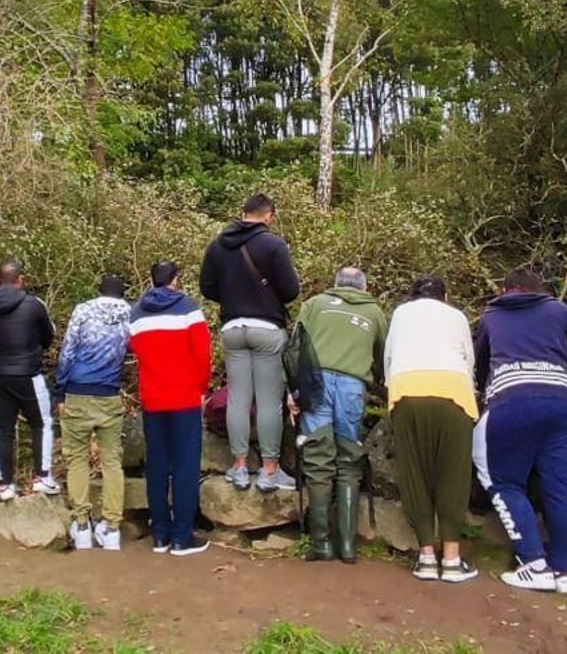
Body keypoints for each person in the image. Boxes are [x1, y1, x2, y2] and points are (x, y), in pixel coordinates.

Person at [472, 266, 567, 595]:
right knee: (566, 488)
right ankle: (564, 571)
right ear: (541, 290)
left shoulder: (491, 317)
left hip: (512, 401)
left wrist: (480, 388)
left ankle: (534, 564)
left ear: (505, 291)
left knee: (501, 478)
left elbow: (479, 365)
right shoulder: (557, 309)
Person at [199, 192, 301, 493]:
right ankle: (270, 469)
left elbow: (207, 287)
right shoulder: (273, 244)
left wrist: (232, 298)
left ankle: (240, 467)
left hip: (232, 327)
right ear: (268, 216)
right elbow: (290, 290)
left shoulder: (217, 245)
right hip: (267, 327)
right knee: (269, 399)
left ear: (243, 213)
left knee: (238, 398)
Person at [286, 266, 387, 564]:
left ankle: (321, 544)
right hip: (352, 387)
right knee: (348, 458)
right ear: (364, 287)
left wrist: (293, 390)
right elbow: (382, 357)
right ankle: (347, 546)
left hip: (316, 384)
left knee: (318, 458)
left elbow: (295, 349)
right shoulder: (375, 314)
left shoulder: (315, 304)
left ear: (335, 285)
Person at [383, 276, 479, 583]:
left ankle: (425, 556)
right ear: (445, 296)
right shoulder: (457, 316)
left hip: (406, 388)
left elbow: (388, 358)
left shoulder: (400, 313)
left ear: (413, 296)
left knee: (415, 472)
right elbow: (469, 359)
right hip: (453, 389)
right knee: (453, 473)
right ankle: (451, 559)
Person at [128, 261, 213, 556]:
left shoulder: (136, 313)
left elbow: (135, 350)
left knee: (157, 466)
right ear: (175, 280)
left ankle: (160, 534)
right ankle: (182, 536)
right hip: (184, 396)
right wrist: (202, 388)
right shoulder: (188, 308)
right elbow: (202, 354)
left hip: (153, 398)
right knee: (185, 466)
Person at [0, 259, 59, 501]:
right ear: (20, 280)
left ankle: (6, 485)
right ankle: (42, 477)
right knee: (42, 423)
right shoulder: (34, 305)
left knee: (3, 428)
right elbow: (48, 336)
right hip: (29, 374)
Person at [53, 274, 132, 551]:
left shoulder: (83, 311)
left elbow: (67, 353)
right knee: (112, 463)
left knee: (77, 460)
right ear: (122, 294)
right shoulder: (129, 317)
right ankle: (111, 528)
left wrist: (59, 390)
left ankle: (82, 526)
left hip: (77, 392)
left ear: (98, 291)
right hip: (109, 394)